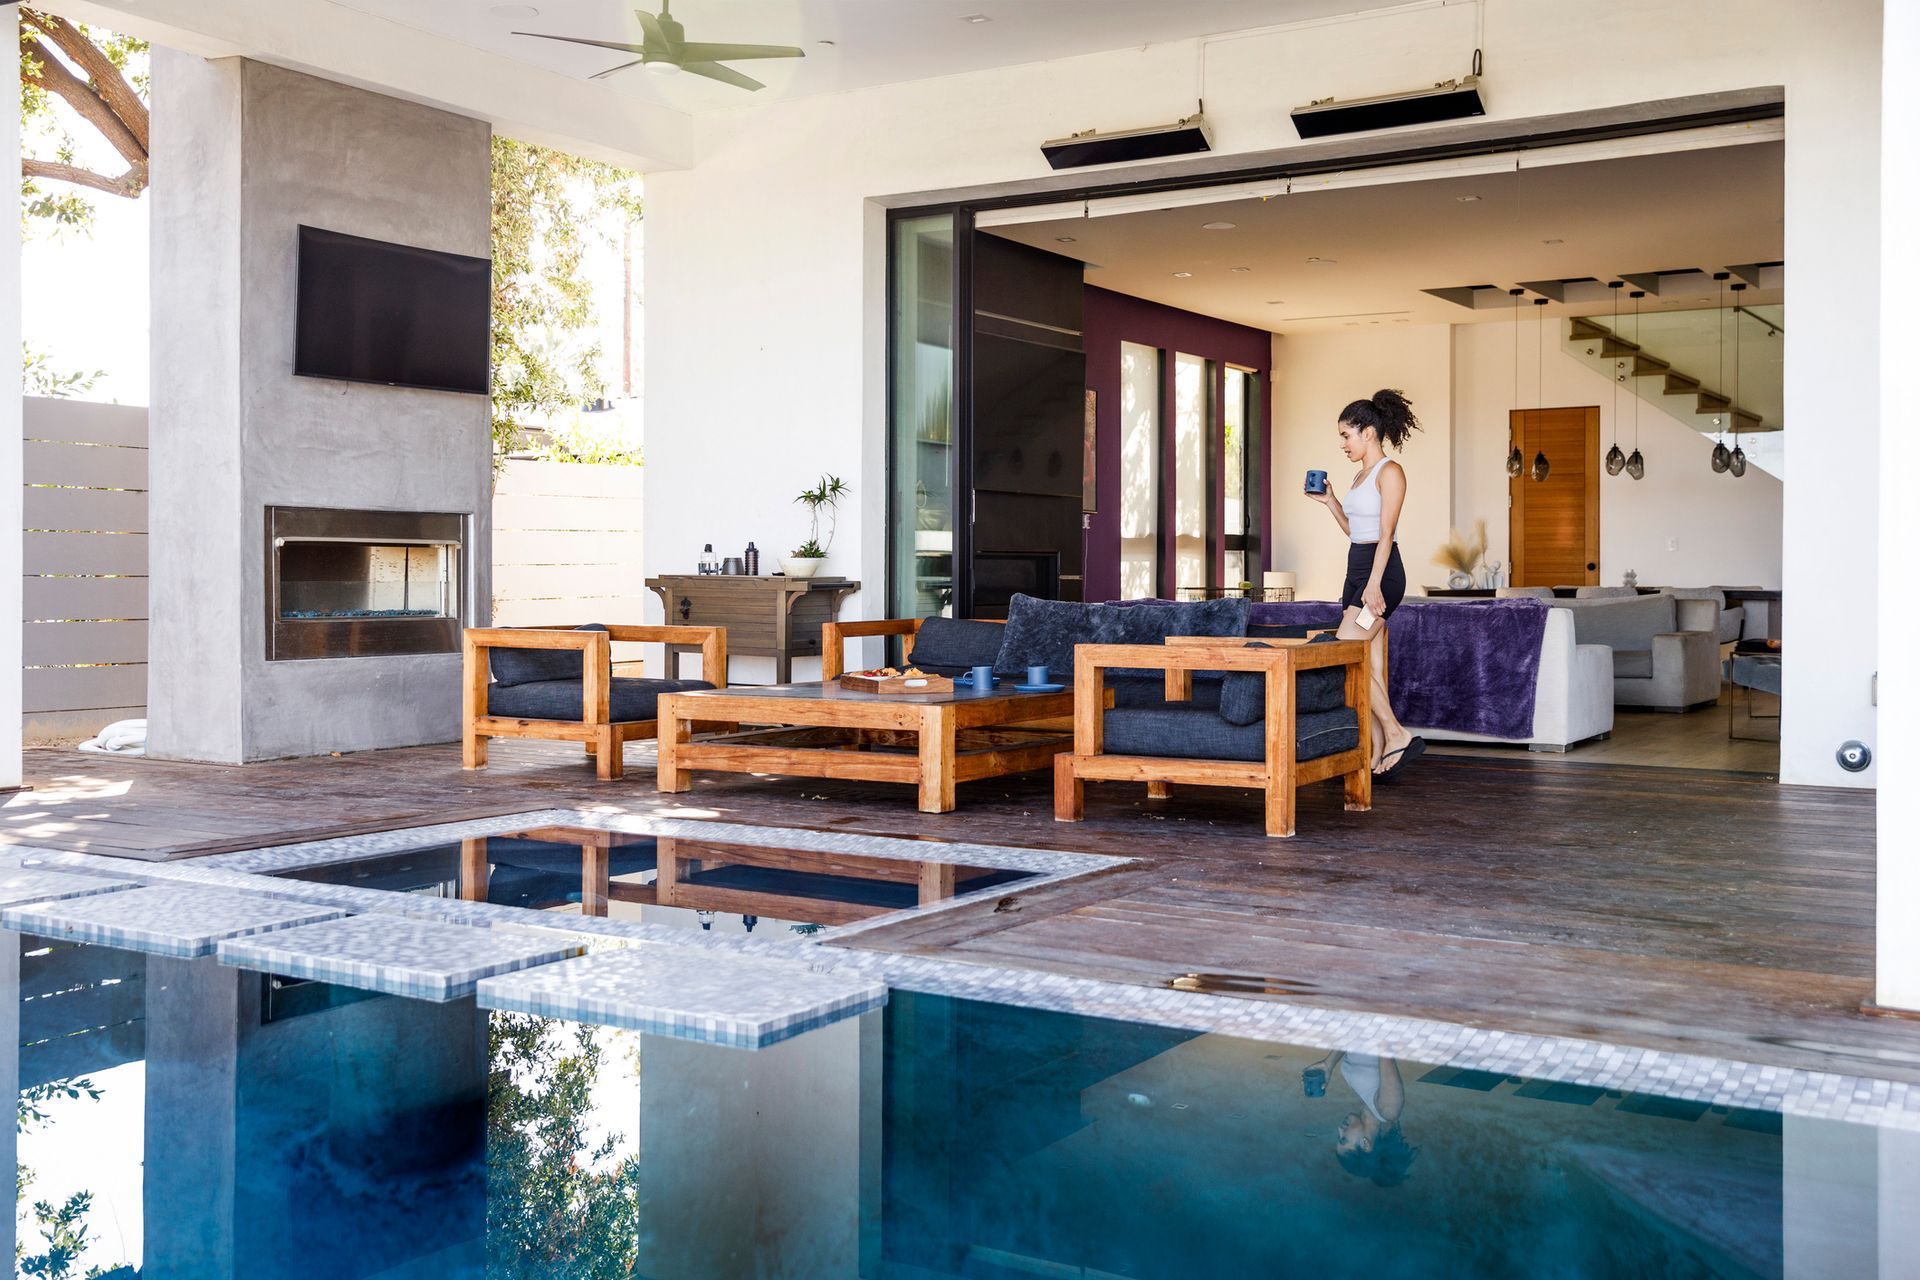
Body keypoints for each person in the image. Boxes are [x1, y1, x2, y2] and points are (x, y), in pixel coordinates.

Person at [1305, 389, 1424, 780]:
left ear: (1368, 432)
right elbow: (1356, 532)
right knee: (1368, 663)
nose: (1343, 444)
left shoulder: (1390, 472)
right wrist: (1331, 502)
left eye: (1346, 435)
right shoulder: (1360, 476)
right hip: (1356, 569)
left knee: (1345, 651)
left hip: (1381, 573)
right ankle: (1372, 755)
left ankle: (1396, 733)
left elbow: (1385, 534)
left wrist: (1373, 586)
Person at [1303, 1049, 1419, 1187]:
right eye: (1343, 1139)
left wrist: (1328, 1064)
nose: (1340, 1129)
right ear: (1365, 1144)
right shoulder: (1389, 1110)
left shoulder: (1365, 1101)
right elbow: (1385, 1045)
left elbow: (1353, 1044)